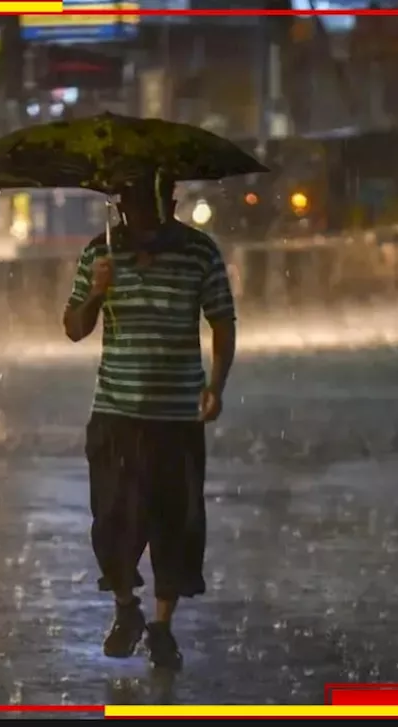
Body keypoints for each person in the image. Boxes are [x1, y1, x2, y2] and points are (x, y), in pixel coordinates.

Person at [62, 173, 237, 671]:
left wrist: (216, 385)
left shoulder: (199, 252)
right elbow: (74, 328)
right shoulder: (100, 252)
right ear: (120, 207)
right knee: (114, 522)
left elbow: (222, 319)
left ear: (171, 204)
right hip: (116, 413)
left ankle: (162, 626)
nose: (142, 218)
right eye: (133, 207)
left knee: (174, 524)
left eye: (153, 207)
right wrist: (98, 292)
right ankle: (126, 608)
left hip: (177, 416)